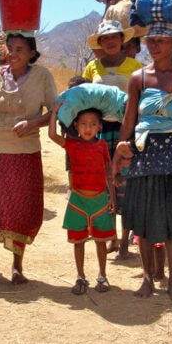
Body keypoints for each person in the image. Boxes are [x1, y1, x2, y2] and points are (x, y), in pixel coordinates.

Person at [113, 21, 172, 301]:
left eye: (161, 41)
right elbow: (129, 121)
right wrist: (119, 156)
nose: (154, 46)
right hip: (144, 155)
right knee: (144, 220)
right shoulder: (138, 78)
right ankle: (148, 279)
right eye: (151, 41)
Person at [0, 31, 57, 284]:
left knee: (20, 209)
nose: (14, 54)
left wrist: (33, 124)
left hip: (25, 152)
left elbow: (55, 111)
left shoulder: (42, 76)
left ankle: (17, 266)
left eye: (20, 49)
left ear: (32, 53)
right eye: (11, 48)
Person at [82, 19, 141, 259]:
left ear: (122, 40)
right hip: (98, 130)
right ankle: (112, 238)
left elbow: (140, 99)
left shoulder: (136, 66)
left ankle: (126, 242)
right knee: (103, 183)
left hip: (127, 129)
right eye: (105, 38)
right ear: (101, 42)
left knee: (126, 182)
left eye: (114, 37)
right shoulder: (92, 67)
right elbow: (84, 98)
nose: (110, 41)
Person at [49, 102, 116, 295]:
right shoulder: (72, 144)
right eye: (84, 124)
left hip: (100, 201)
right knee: (78, 242)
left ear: (99, 127)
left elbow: (108, 174)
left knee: (100, 241)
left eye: (93, 124)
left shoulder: (102, 146)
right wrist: (54, 112)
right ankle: (80, 276)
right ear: (76, 125)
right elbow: (52, 135)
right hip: (78, 201)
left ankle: (102, 276)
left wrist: (112, 198)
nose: (88, 128)